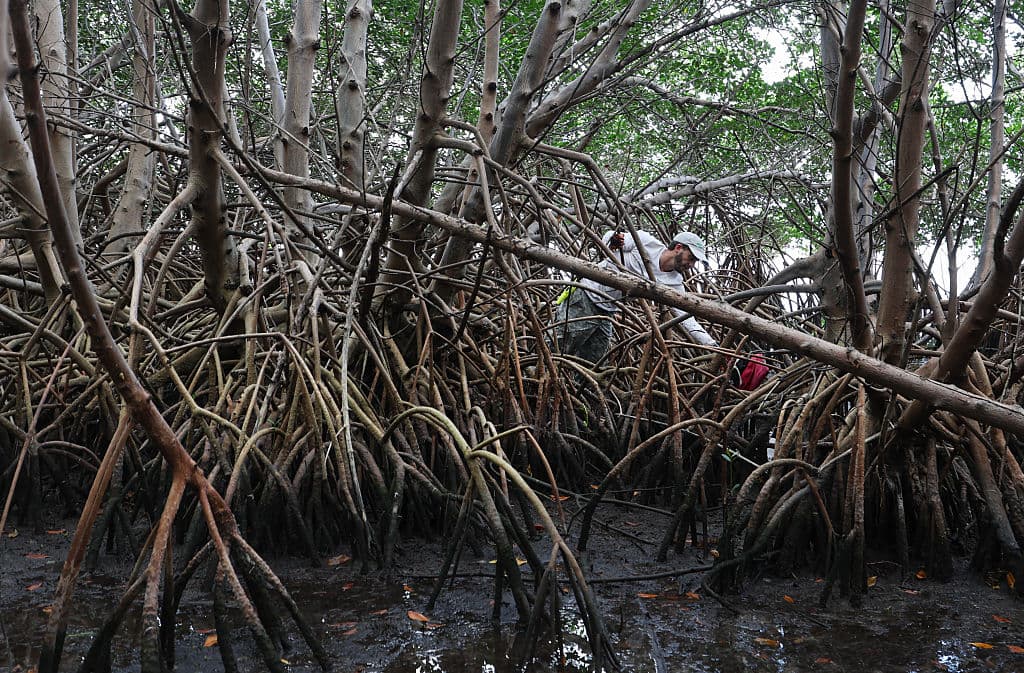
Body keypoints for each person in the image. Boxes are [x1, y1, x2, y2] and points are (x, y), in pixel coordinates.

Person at [552, 230, 717, 364]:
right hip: (585, 295)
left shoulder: (674, 283)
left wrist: (712, 345)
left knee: (594, 361)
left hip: (607, 310)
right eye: (691, 258)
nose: (691, 265)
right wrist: (613, 240)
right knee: (556, 347)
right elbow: (609, 240)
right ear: (678, 247)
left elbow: (686, 318)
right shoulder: (645, 242)